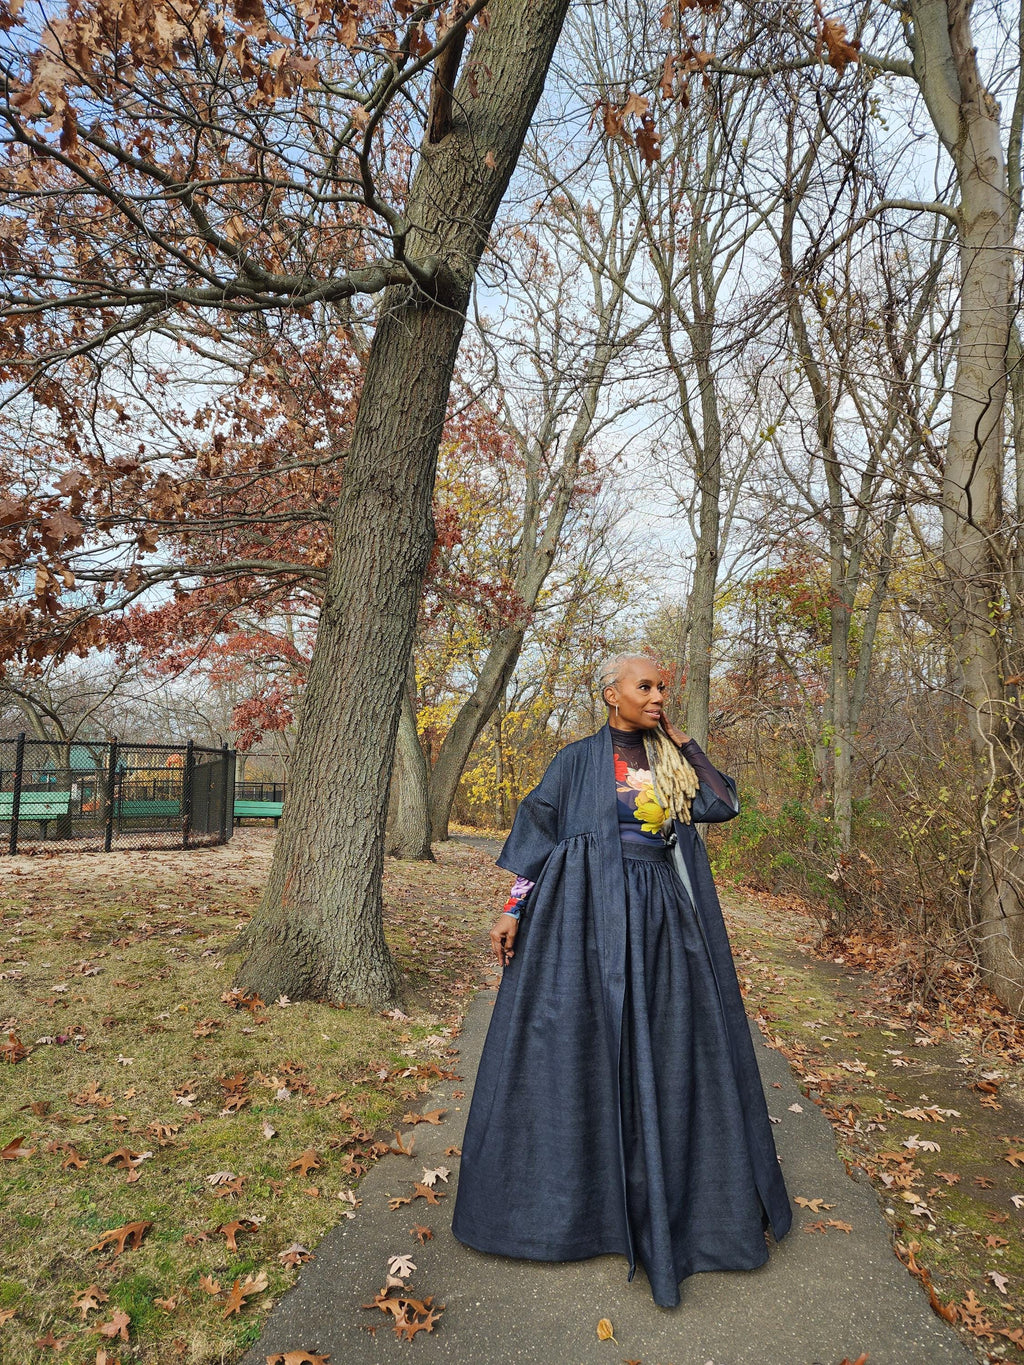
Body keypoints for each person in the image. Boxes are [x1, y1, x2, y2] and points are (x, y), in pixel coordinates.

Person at [450, 653, 793, 1308]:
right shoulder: (577, 760)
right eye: (646, 685)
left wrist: (683, 740)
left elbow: (722, 802)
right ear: (612, 693)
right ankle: (573, 1209)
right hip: (579, 921)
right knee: (575, 1051)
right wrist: (511, 908)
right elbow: (539, 834)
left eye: (664, 686)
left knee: (666, 1054)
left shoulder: (671, 761)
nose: (658, 694)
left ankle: (665, 1202)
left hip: (660, 919)